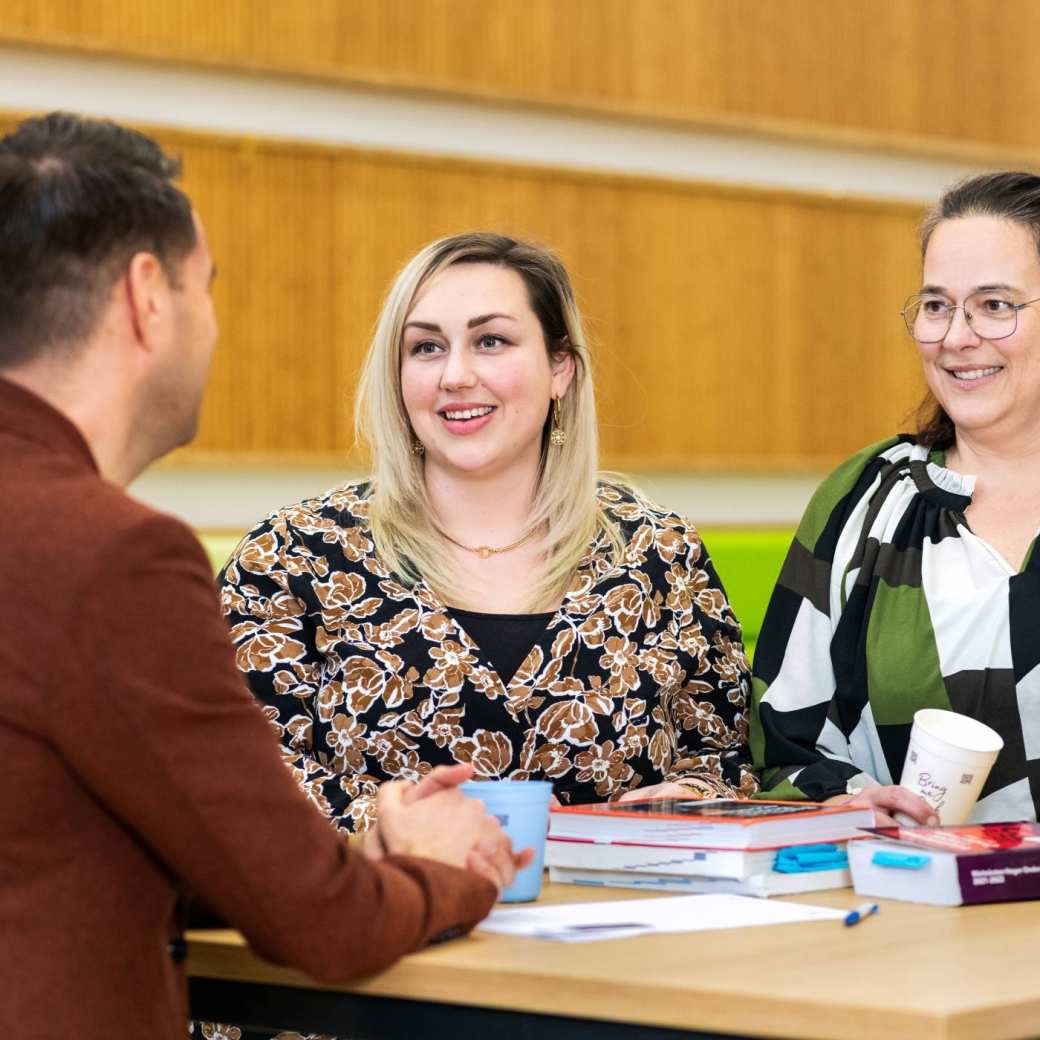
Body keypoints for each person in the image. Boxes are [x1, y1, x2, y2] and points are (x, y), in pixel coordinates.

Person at [0, 112, 527, 1040]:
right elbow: (321, 926)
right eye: (209, 285)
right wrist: (449, 870)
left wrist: (350, 860)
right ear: (147, 297)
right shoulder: (112, 556)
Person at [218, 231, 758, 838]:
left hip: (618, 915)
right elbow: (244, 777)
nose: (455, 375)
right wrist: (413, 830)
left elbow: (722, 760)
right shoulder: (291, 556)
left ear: (561, 369)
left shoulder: (658, 551)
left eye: (490, 341)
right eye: (425, 348)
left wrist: (691, 797)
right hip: (389, 919)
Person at [752, 171, 1040, 826]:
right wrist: (850, 801)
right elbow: (782, 748)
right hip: (911, 908)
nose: (956, 336)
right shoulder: (864, 498)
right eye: (937, 306)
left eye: (995, 305)